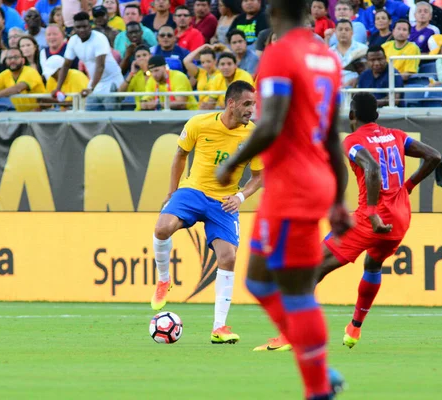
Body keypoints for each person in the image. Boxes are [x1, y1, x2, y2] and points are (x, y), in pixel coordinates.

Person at [215, 0, 348, 397]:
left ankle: (317, 386)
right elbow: (330, 137)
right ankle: (318, 367)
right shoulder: (327, 58)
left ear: (273, 11)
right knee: (258, 280)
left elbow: (270, 123)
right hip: (314, 180)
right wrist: (339, 198)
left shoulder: (278, 54)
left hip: (292, 186)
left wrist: (233, 162)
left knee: (296, 292)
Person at [319, 92, 441, 348]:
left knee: (311, 266)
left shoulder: (353, 141)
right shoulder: (396, 135)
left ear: (351, 114)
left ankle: (291, 335)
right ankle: (354, 328)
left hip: (371, 219)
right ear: (377, 115)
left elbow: (372, 168)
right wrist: (408, 186)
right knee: (373, 265)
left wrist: (373, 213)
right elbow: (435, 156)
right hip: (399, 221)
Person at [150, 80, 263, 344]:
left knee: (228, 257)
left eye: (254, 105)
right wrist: (171, 192)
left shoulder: (253, 135)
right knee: (162, 228)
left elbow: (258, 176)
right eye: (247, 104)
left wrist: (240, 196)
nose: (251, 110)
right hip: (193, 192)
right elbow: (180, 156)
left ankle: (219, 327)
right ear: (231, 103)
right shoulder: (199, 124)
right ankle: (164, 281)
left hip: (223, 201)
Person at [54, 11, 124, 111]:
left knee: (111, 117)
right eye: (78, 27)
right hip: (95, 83)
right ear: (74, 28)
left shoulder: (99, 38)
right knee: (90, 116)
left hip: (112, 81)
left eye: (85, 26)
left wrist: (91, 88)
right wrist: (58, 88)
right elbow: (65, 66)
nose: (82, 30)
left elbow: (100, 66)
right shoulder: (73, 41)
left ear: (90, 26)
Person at [0, 47, 46, 111]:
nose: (12, 60)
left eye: (16, 57)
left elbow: (17, 89)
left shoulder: (31, 72)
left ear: (23, 60)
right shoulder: (5, 74)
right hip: (22, 114)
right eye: (9, 58)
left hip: (43, 112)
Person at [330, 19, 368, 87]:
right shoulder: (329, 52)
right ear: (335, 32)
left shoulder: (363, 49)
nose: (343, 32)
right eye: (340, 29)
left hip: (357, 88)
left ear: (352, 32)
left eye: (347, 29)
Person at [117, 44, 150, 110]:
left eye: (144, 55)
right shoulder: (135, 75)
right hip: (139, 111)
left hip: (156, 111)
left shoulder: (156, 70)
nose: (141, 58)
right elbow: (120, 95)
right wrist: (131, 73)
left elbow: (149, 90)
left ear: (150, 56)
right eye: (138, 56)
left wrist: (145, 70)